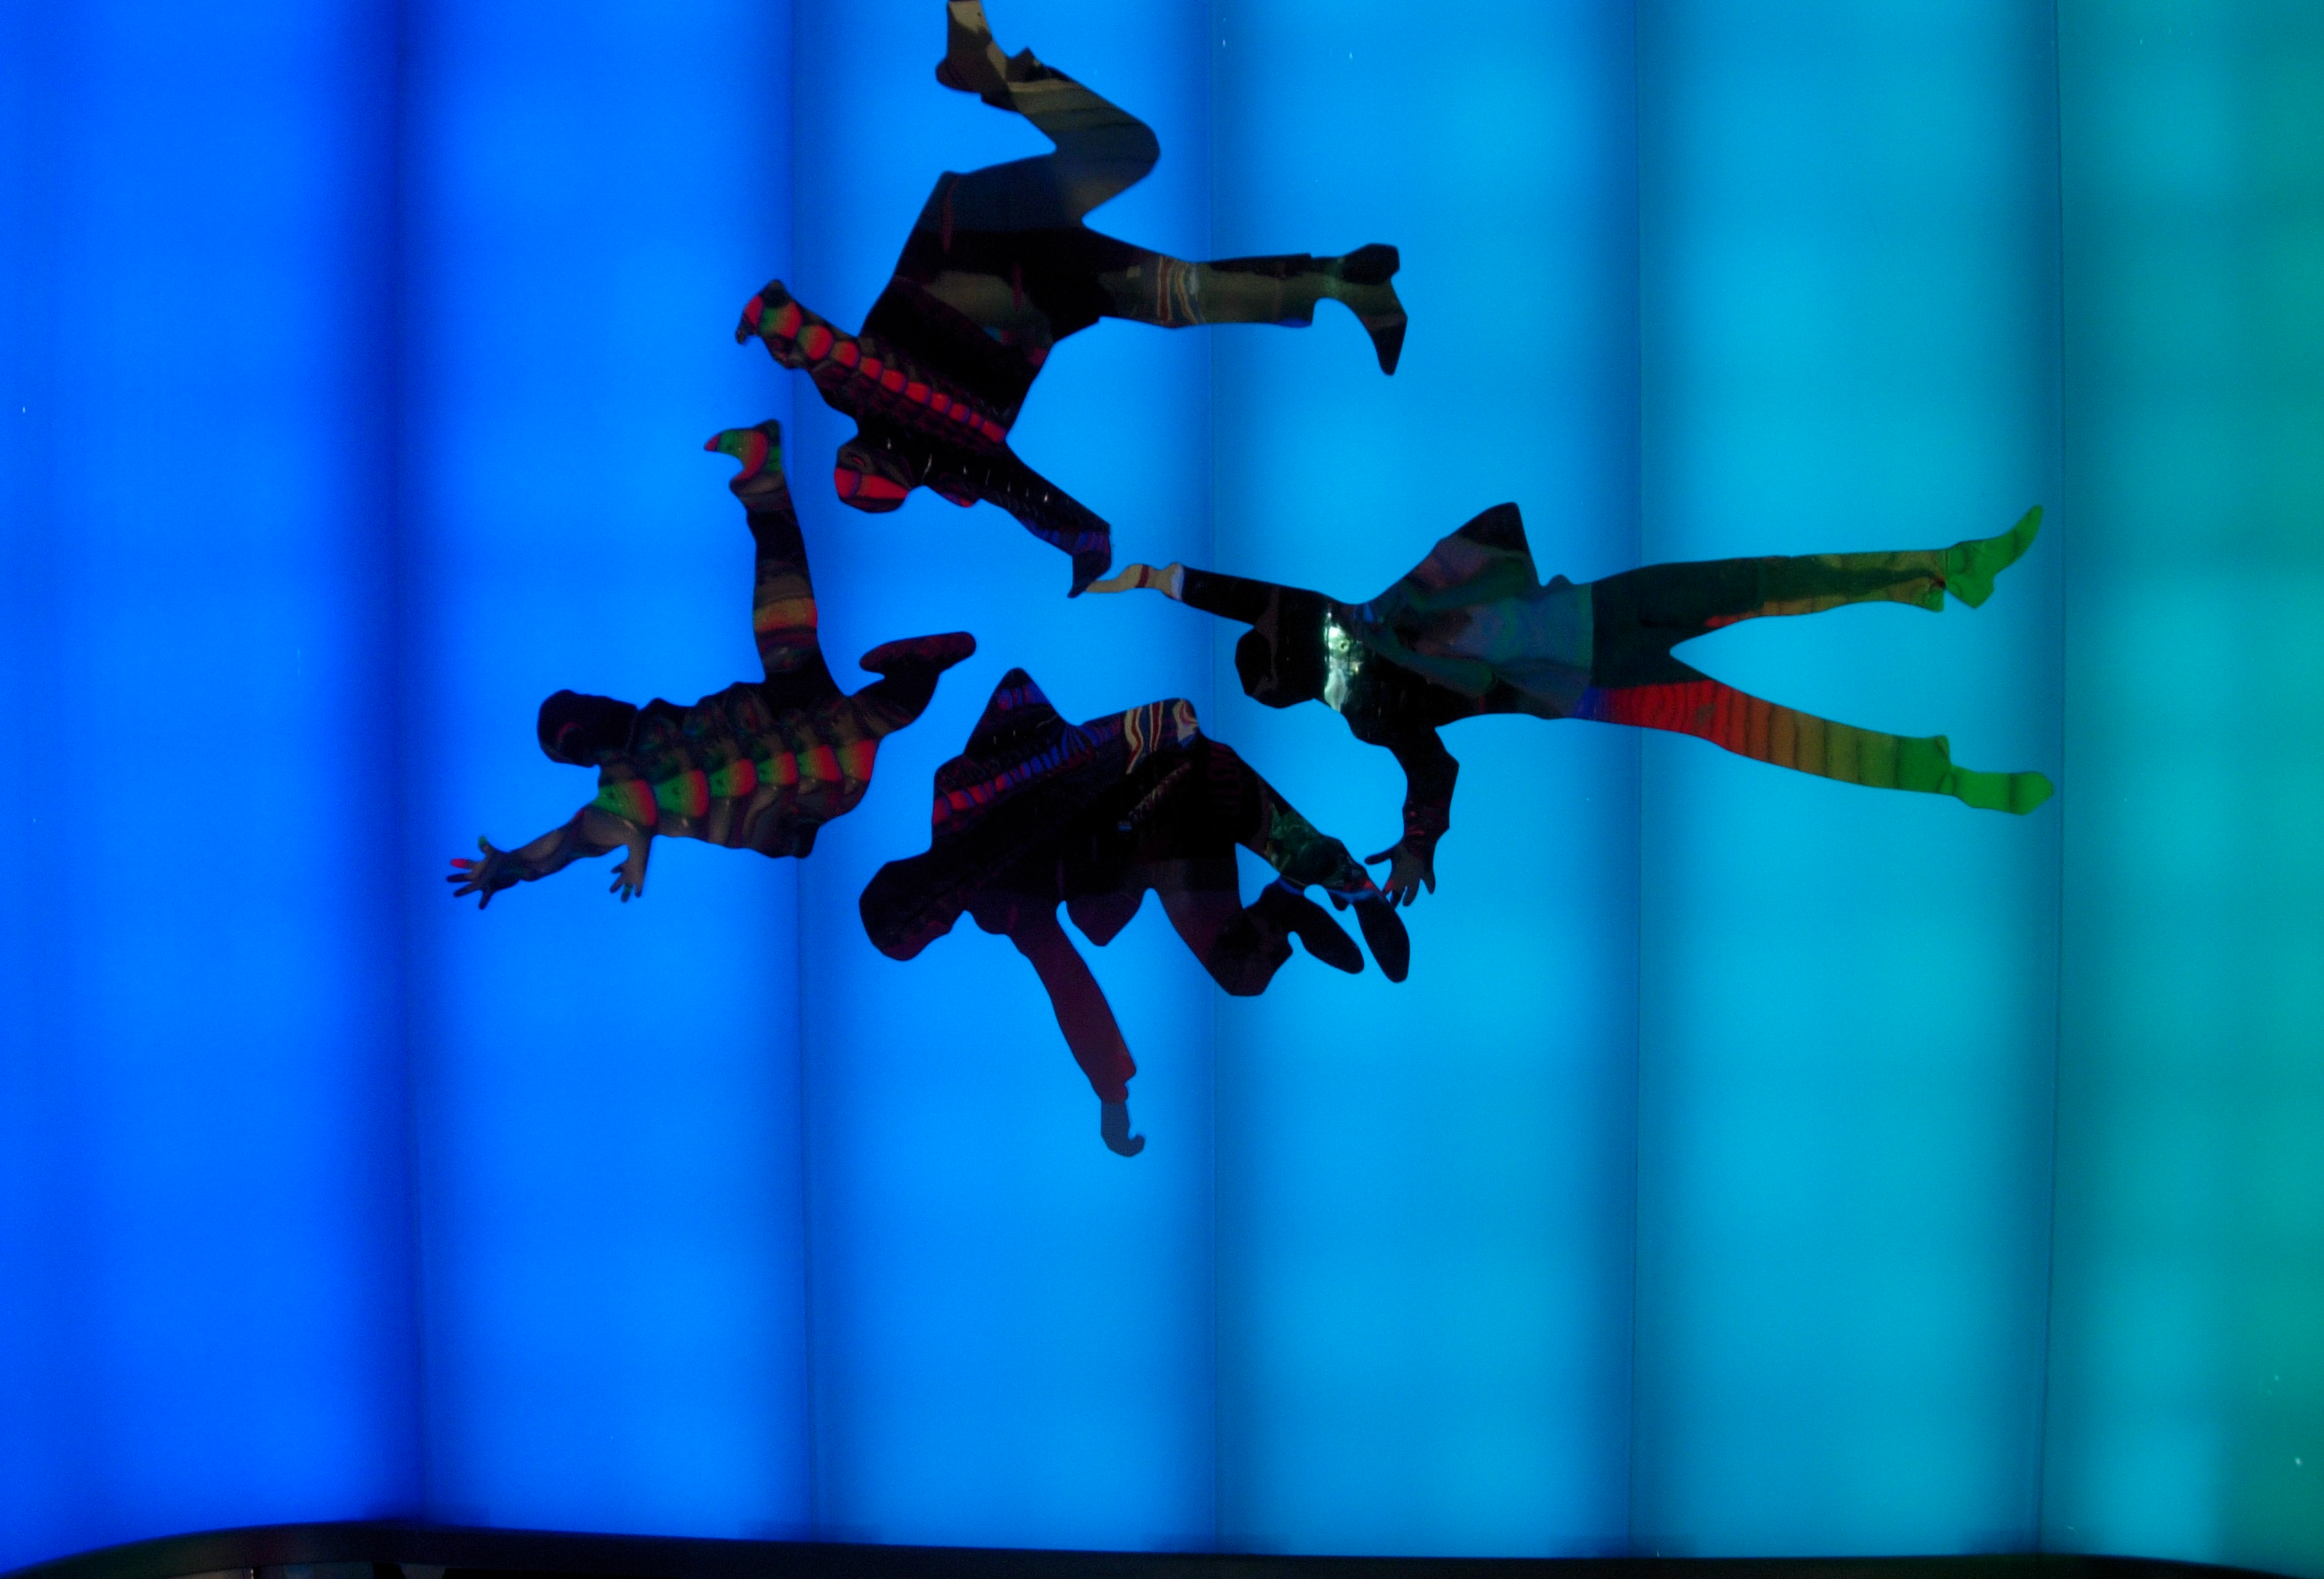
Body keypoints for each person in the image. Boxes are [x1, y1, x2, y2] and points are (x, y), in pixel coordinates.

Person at [738, 0, 1405, 594]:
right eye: (887, 471)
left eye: (871, 459)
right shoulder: (959, 460)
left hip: (981, 240)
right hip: (1048, 282)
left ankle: (991, 72)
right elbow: (1028, 499)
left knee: (1130, 162)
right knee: (1181, 287)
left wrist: (778, 321)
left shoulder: (871, 401)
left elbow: (841, 360)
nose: (889, 457)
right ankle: (1348, 280)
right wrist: (1086, 543)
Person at [1092, 505, 2053, 904]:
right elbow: (1430, 766)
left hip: (1595, 620)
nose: (1302, 634)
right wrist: (1419, 841)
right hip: (1592, 669)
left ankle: (1945, 573)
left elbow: (1246, 597)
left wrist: (1159, 579)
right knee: (1769, 714)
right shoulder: (1365, 687)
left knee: (1765, 599)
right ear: (1299, 678)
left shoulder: (1349, 634)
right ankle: (1943, 760)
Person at [862, 668, 1409, 1156]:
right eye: (927, 932)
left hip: (1176, 788)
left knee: (1210, 860)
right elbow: (1068, 982)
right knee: (1239, 968)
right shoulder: (985, 876)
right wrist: (1111, 1093)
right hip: (1166, 825)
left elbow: (1019, 704)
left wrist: (1112, 1094)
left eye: (923, 922)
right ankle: (1292, 900)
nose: (937, 923)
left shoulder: (965, 814)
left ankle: (1335, 886)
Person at [448, 420, 973, 907]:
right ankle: (917, 672)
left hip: (787, 715)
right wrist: (509, 865)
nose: (601, 703)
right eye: (587, 712)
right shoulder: (618, 798)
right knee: (852, 715)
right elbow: (560, 846)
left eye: (590, 701)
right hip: (799, 791)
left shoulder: (653, 734)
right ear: (583, 746)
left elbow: (569, 842)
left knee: (788, 634)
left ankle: (764, 479)